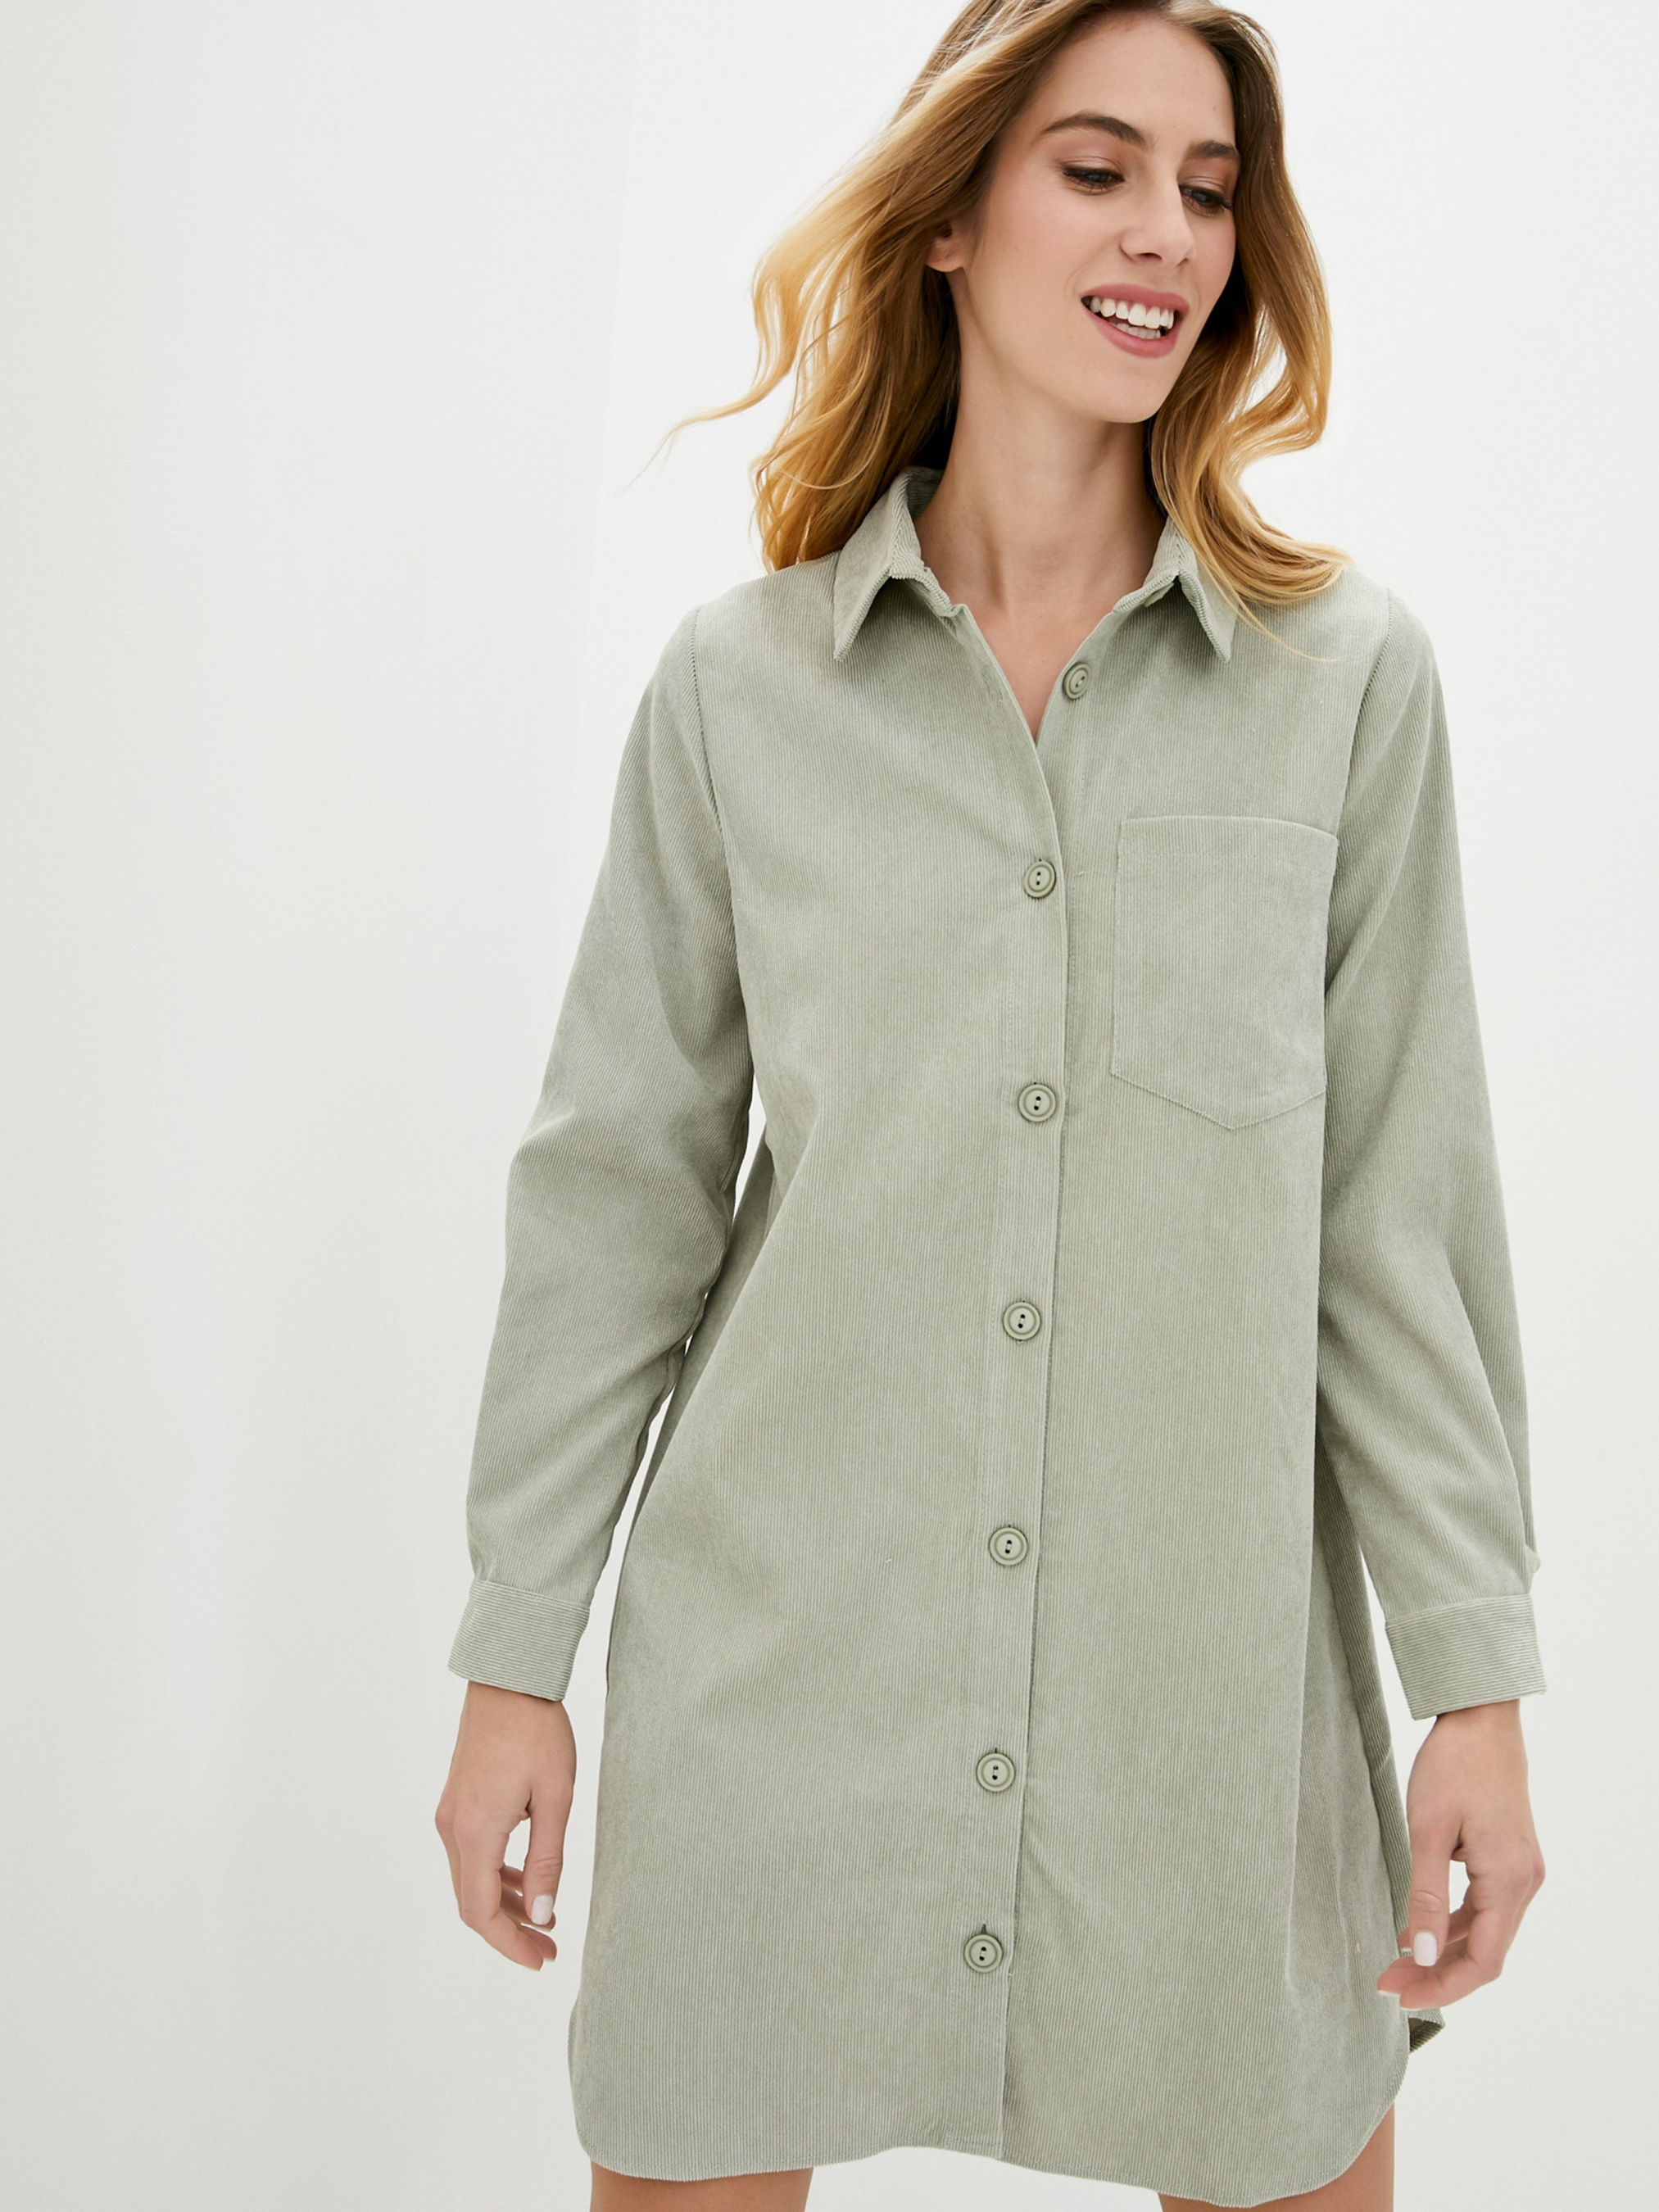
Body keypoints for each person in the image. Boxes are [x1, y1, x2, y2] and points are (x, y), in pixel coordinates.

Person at [433, 3, 1548, 2207]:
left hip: (1202, 1717)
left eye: (1208, 191)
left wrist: (1475, 1679)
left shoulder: (1343, 684)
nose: (1165, 236)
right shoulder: (740, 692)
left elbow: (1393, 1213)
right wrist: (512, 1656)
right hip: (779, 1688)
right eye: (1095, 168)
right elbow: (617, 1202)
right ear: (949, 217)